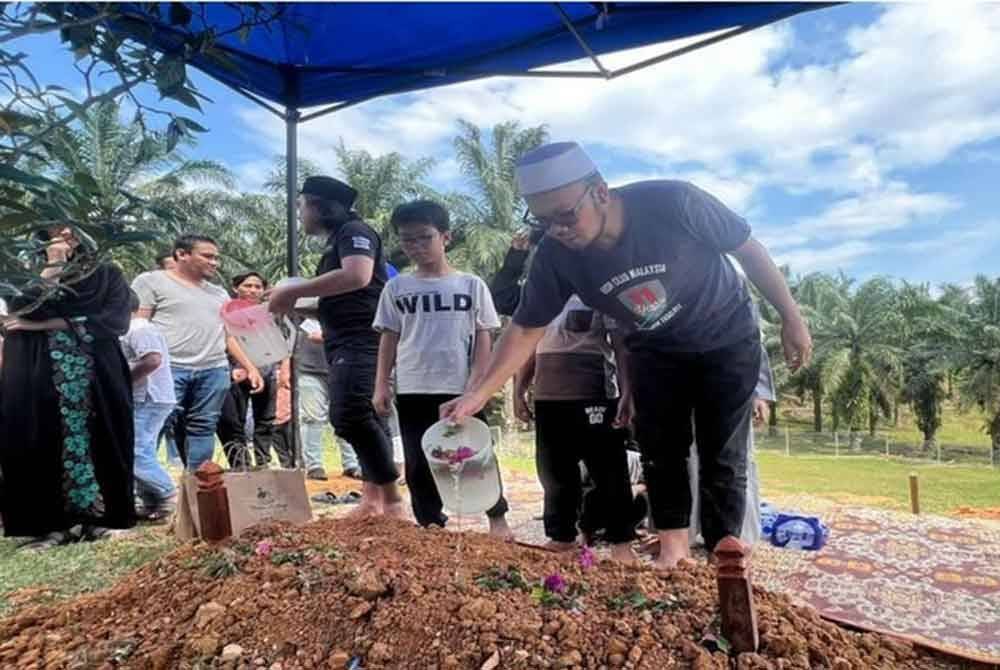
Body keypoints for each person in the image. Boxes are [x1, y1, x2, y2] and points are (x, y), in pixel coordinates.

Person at [441, 142, 812, 573]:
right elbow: (526, 328)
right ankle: (673, 552)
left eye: (565, 215)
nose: (557, 230)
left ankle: (722, 555)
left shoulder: (675, 202)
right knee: (660, 449)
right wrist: (478, 394)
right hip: (654, 347)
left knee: (721, 451)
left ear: (600, 192)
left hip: (727, 338)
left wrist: (791, 317)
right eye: (542, 221)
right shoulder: (555, 257)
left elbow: (748, 250)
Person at [372, 200, 512, 537]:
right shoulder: (397, 288)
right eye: (408, 240)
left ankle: (498, 518)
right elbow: (389, 337)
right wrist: (381, 384)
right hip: (413, 386)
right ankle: (431, 524)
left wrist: (477, 385)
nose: (416, 246)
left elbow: (484, 335)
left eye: (425, 237)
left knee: (476, 455)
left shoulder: (471, 285)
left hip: (461, 389)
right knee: (419, 460)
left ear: (445, 237)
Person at [267, 176, 403, 519]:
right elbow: (349, 298)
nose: (300, 215)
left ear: (320, 206)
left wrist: (292, 291)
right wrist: (299, 307)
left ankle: (393, 502)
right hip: (346, 337)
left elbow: (358, 276)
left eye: (302, 206)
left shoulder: (354, 231)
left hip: (362, 339)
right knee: (368, 416)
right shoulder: (337, 242)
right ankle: (373, 500)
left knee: (350, 415)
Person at [0, 227, 135, 547]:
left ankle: (101, 520)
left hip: (97, 371)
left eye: (72, 226)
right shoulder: (18, 269)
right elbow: (20, 309)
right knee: (36, 436)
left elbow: (117, 320)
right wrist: (53, 266)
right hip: (34, 368)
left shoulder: (106, 274)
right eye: (56, 226)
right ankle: (49, 526)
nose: (65, 232)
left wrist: (50, 323)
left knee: (104, 434)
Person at [515, 295, 637, 561]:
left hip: (594, 394)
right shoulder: (540, 297)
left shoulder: (600, 293)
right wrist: (519, 389)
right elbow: (527, 346)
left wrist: (628, 393)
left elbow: (621, 347)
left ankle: (621, 542)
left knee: (609, 471)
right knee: (553, 471)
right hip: (548, 397)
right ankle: (562, 537)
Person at [132, 234, 263, 471]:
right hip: (168, 369)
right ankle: (144, 485)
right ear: (182, 254)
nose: (215, 263)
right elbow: (138, 326)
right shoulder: (151, 282)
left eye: (216, 258)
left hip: (213, 369)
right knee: (155, 426)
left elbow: (228, 335)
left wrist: (250, 366)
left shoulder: (219, 293)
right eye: (208, 256)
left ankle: (198, 485)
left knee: (204, 427)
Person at [216, 271, 282, 470]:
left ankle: (263, 462)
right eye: (247, 286)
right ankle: (241, 464)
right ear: (236, 288)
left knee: (266, 419)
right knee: (235, 421)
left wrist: (283, 368)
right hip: (237, 372)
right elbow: (228, 341)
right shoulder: (227, 311)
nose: (253, 290)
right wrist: (243, 367)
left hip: (267, 371)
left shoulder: (269, 312)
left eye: (257, 286)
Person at [120, 291, 177, 522]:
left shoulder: (138, 328)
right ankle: (151, 499)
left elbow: (152, 359)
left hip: (149, 397)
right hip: (146, 397)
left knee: (134, 450)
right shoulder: (132, 329)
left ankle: (168, 493)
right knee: (143, 449)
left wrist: (123, 380)